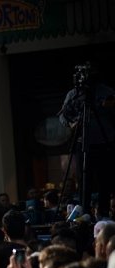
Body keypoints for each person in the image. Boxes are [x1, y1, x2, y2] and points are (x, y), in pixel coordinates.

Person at [57, 62, 115, 217]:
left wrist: (106, 107)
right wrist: (71, 123)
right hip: (83, 142)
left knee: (105, 179)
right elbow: (62, 115)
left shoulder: (107, 92)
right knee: (84, 180)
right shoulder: (74, 94)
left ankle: (103, 212)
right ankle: (85, 213)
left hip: (104, 142)